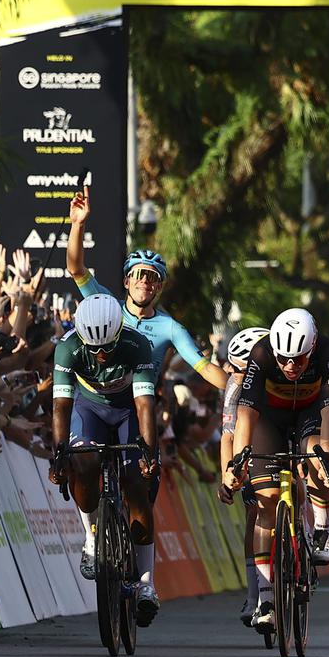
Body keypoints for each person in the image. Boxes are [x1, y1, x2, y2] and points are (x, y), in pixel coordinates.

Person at [225, 308, 329, 634]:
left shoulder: (328, 351)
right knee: (266, 500)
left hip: (311, 414)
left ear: (313, 346)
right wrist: (237, 463)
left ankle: (321, 526)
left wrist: (328, 462)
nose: (291, 366)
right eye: (284, 359)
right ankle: (265, 599)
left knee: (318, 459)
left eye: (299, 360)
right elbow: (245, 414)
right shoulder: (261, 352)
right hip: (270, 419)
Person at [48, 293, 162, 625]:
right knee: (82, 464)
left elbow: (144, 406)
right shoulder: (67, 349)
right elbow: (61, 407)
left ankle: (145, 584)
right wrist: (59, 455)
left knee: (136, 484)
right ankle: (92, 535)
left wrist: (148, 454)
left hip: (128, 409)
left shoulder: (136, 344)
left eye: (107, 348)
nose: (100, 355)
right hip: (89, 408)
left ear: (117, 334)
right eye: (93, 349)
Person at [67, 187, 228, 389]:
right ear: (127, 281)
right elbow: (76, 269)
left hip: (139, 407)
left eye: (151, 276)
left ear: (159, 286)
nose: (144, 280)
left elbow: (205, 369)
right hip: (98, 401)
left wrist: (244, 395)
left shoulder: (170, 327)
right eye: (137, 274)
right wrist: (77, 224)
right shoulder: (107, 305)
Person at [216, 326, 269, 628]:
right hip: (250, 439)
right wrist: (228, 474)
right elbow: (228, 436)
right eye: (232, 367)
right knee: (254, 512)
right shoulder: (235, 388)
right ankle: (254, 595)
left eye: (240, 369)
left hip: (277, 430)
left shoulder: (277, 375)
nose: (233, 373)